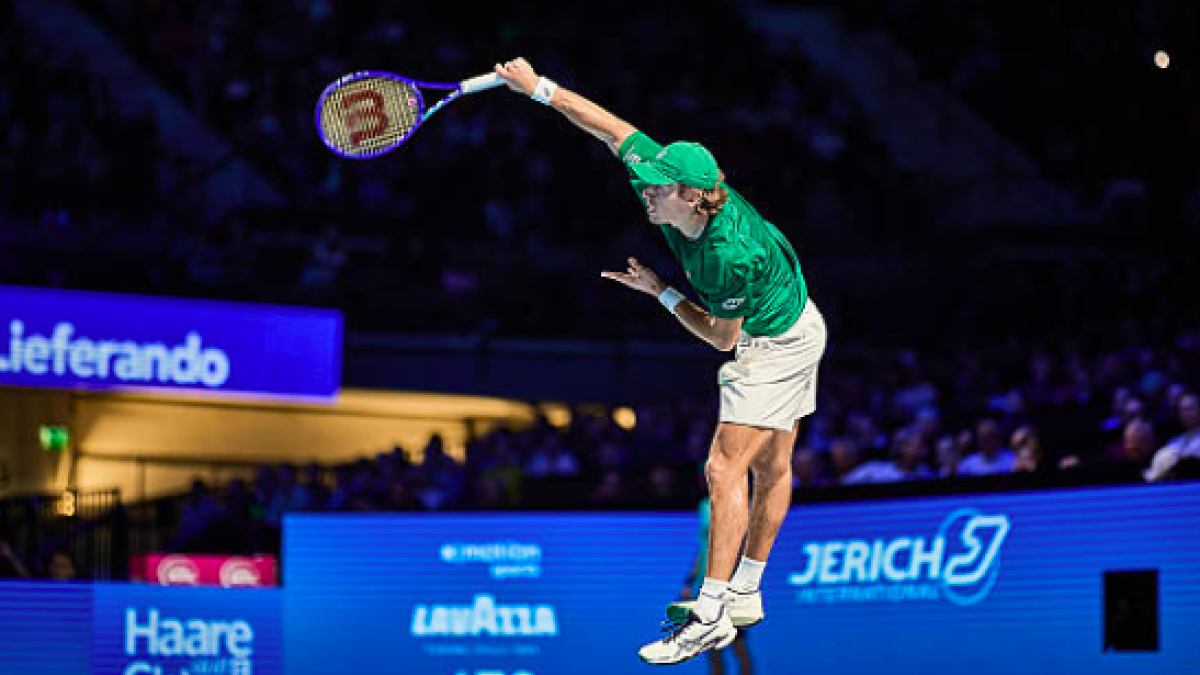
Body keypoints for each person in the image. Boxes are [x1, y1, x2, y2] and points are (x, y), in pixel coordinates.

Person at [495, 57, 828, 665]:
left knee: (726, 469)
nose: (646, 191)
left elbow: (720, 339)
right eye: (650, 182)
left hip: (773, 341)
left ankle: (710, 614)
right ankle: (748, 590)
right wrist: (538, 88)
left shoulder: (727, 256)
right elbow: (609, 128)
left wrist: (662, 293)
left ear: (696, 198)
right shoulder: (668, 184)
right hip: (800, 320)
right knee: (773, 464)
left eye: (659, 188)